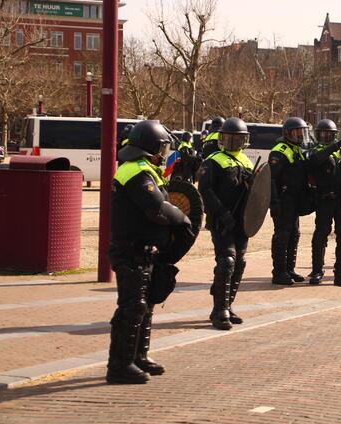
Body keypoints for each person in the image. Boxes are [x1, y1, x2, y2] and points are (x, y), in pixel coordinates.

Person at [107, 120, 192, 384]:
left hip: (144, 250)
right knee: (132, 307)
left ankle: (138, 356)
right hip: (130, 250)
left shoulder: (144, 169)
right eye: (163, 148)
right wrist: (180, 217)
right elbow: (156, 207)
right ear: (153, 147)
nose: (164, 153)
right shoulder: (136, 172)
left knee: (146, 305)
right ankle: (120, 365)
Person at [198, 117, 254, 330]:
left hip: (242, 222)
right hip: (222, 221)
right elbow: (205, 189)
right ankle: (219, 311)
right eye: (229, 138)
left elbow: (256, 195)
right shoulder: (213, 160)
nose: (233, 143)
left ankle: (227, 305)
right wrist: (221, 213)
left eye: (237, 139)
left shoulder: (247, 162)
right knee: (227, 261)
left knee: (240, 261)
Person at [307, 119, 341, 287]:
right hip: (324, 198)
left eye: (329, 134)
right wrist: (334, 147)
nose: (326, 136)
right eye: (322, 134)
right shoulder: (314, 150)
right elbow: (314, 161)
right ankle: (317, 271)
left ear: (335, 135)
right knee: (321, 234)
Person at [269, 117, 311, 286]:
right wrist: (274, 202)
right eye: (297, 132)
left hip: (295, 200)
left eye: (302, 132)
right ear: (287, 133)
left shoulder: (297, 149)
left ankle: (289, 269)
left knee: (294, 234)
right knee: (282, 235)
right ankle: (278, 272)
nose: (300, 135)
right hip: (283, 199)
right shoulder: (279, 151)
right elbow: (271, 179)